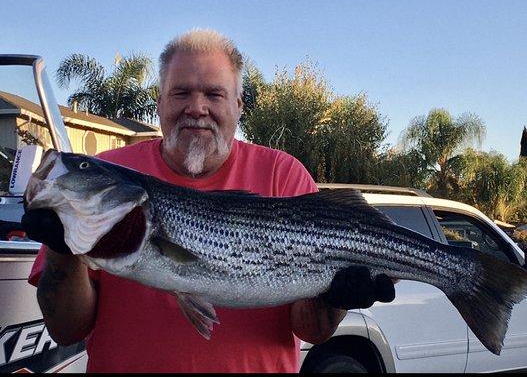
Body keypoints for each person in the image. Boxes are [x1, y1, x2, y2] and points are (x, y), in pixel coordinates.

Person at [22, 29, 395, 373]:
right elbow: (65, 330)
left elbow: (310, 331)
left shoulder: (283, 174)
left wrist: (335, 298)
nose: (196, 107)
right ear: (160, 102)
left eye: (214, 94)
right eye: (181, 92)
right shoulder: (110, 175)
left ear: (238, 105)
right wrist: (62, 250)